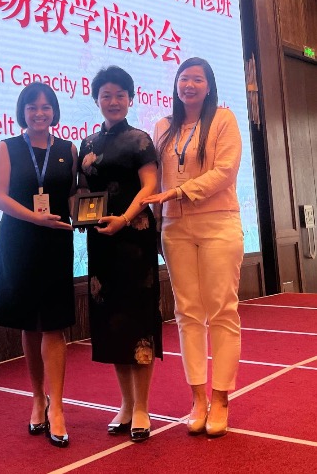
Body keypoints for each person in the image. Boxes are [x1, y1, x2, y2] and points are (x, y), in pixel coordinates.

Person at [142, 57, 243, 438]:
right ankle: (198, 398)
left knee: (222, 310)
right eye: (184, 78)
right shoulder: (163, 127)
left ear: (209, 85)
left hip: (218, 221)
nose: (189, 85)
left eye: (197, 79)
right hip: (175, 226)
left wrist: (181, 191)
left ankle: (221, 398)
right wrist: (155, 218)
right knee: (187, 312)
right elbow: (155, 179)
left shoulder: (223, 120)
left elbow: (225, 171)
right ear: (176, 85)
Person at [0, 82, 77, 449]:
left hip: (56, 243)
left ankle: (57, 407)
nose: (39, 113)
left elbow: (72, 196)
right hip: (20, 242)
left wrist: (85, 215)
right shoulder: (7, 147)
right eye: (32, 107)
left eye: (45, 107)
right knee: (30, 324)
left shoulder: (68, 149)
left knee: (54, 325)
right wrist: (35, 218)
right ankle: (37, 397)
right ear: (22, 112)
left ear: (54, 111)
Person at [78, 66, 161, 443]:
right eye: (106, 95)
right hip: (102, 243)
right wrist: (81, 216)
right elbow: (83, 192)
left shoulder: (140, 139)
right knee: (111, 322)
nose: (113, 101)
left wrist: (124, 219)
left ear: (130, 98)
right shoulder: (87, 144)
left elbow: (149, 186)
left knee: (138, 321)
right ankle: (126, 405)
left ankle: (143, 407)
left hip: (134, 240)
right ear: (96, 100)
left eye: (120, 95)